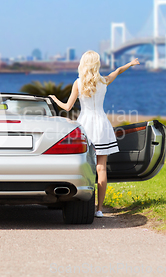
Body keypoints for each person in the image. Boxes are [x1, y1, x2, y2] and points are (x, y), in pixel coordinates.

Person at [49, 50, 139, 218]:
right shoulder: (103, 81)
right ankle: (99, 209)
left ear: (83, 64)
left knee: (83, 165)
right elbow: (117, 71)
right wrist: (130, 64)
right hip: (102, 125)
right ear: (97, 64)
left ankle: (81, 201)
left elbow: (67, 107)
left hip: (85, 125)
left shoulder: (78, 83)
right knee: (101, 167)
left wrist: (54, 99)